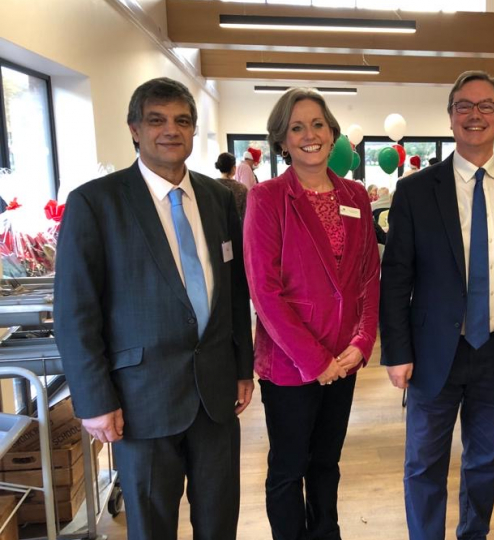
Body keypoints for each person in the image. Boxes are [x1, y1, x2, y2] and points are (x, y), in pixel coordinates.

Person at [53, 77, 254, 540]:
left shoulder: (218, 198)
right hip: (140, 400)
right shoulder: (95, 203)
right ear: (134, 130)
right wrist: (94, 400)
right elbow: (75, 312)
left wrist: (242, 366)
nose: (171, 130)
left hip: (215, 395)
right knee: (151, 524)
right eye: (157, 120)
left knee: (220, 519)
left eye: (182, 120)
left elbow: (233, 288)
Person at [379, 71, 494, 540]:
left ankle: (475, 534)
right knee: (424, 461)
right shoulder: (415, 190)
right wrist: (397, 351)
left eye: (486, 106)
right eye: (464, 106)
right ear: (450, 117)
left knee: (485, 459)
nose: (476, 115)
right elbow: (396, 278)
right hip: (433, 351)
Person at [243, 88, 380, 540]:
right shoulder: (266, 199)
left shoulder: (356, 196)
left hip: (343, 361)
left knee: (326, 462)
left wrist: (361, 344)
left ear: (333, 133)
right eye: (296, 127)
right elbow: (265, 292)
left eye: (318, 125)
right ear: (282, 140)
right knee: (288, 467)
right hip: (290, 365)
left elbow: (367, 276)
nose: (309, 135)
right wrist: (315, 360)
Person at [215, 152, 249, 220]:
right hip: (234, 228)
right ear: (234, 168)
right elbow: (245, 216)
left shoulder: (210, 185)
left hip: (214, 228)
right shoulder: (241, 188)